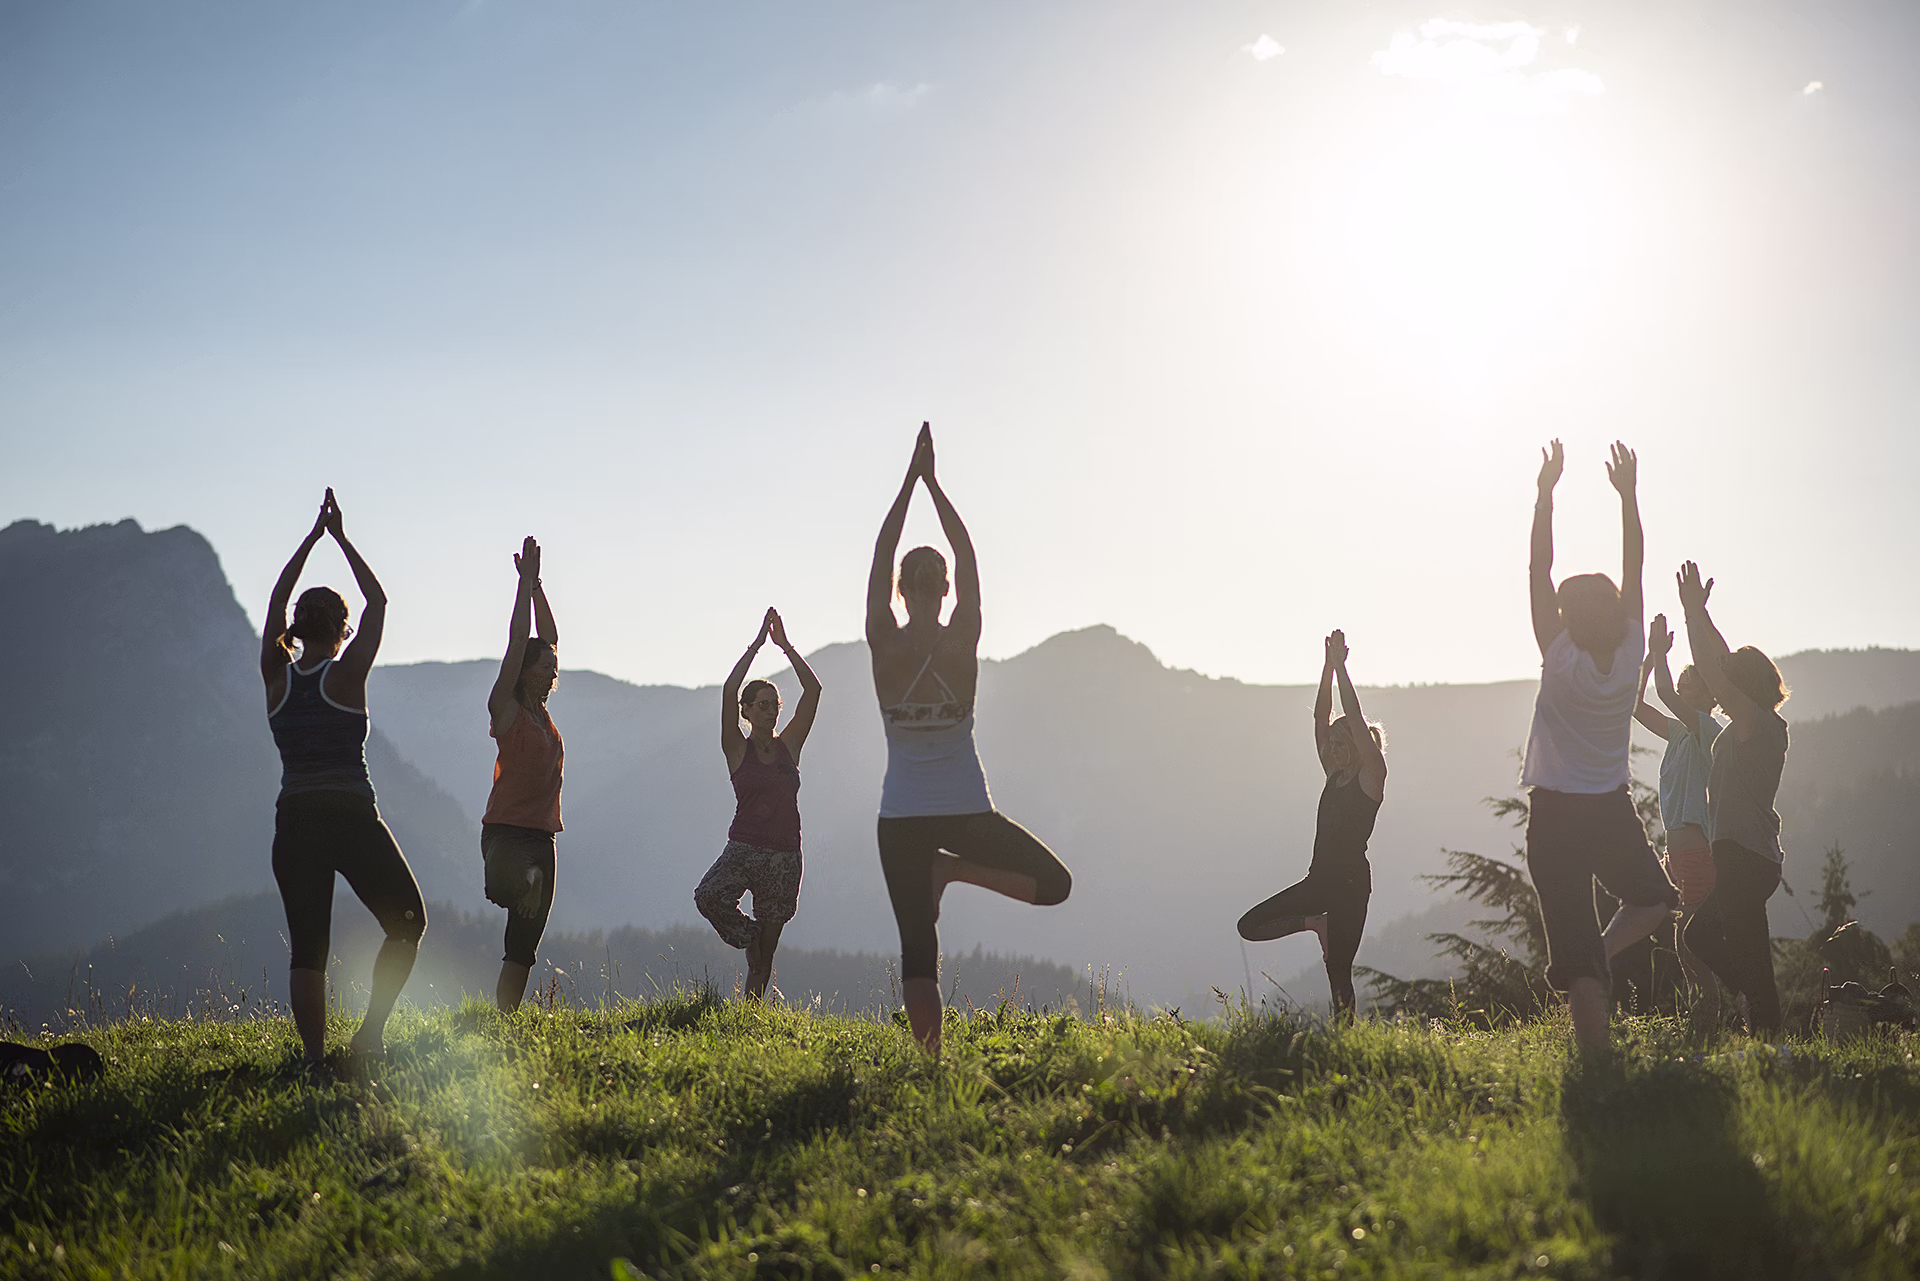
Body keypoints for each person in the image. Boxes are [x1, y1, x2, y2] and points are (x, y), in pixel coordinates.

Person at [868, 423, 1071, 1053]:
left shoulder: (884, 644)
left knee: (916, 951)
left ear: (901, 592)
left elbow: (879, 556)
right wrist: (937, 486)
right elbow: (970, 553)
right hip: (966, 812)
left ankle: (931, 1070)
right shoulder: (963, 642)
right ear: (949, 590)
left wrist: (909, 484)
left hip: (900, 818)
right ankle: (952, 873)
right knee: (1054, 885)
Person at [1521, 441, 1678, 1055]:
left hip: (1557, 814)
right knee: (1655, 900)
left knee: (1579, 959)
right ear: (1615, 611)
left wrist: (1545, 493)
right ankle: (1597, 963)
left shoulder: (1558, 658)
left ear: (1564, 616)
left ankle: (1597, 1071)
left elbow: (1537, 570)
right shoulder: (1634, 646)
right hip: (1611, 811)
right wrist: (1628, 494)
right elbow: (1635, 565)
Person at [261, 490, 425, 1063]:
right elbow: (378, 603)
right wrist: (341, 538)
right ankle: (368, 1037)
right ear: (342, 629)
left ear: (296, 629)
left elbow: (276, 601)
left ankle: (313, 1062)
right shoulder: (347, 675)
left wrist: (309, 540)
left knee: (308, 948)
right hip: (351, 817)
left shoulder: (276, 679)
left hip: (295, 821)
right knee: (408, 921)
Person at [1237, 629, 1386, 1020]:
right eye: (1331, 744)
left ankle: (1345, 1045)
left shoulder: (1371, 776)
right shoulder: (1333, 775)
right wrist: (1325, 666)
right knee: (1249, 926)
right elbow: (1321, 717)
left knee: (1339, 974)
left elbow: (1350, 716)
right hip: (1318, 881)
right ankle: (1314, 924)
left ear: (1357, 744)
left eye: (1341, 743)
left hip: (1351, 888)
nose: (1333, 749)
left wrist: (1343, 671)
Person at [1676, 561, 1791, 1037]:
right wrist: (1699, 615)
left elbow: (1715, 669)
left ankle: (1765, 1024)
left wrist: (1693, 616)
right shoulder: (1749, 723)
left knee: (1718, 942)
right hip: (1740, 856)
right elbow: (1721, 667)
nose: (1723, 688)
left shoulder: (1759, 724)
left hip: (1746, 858)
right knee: (1723, 941)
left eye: (1732, 681)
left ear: (1747, 686)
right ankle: (1764, 1024)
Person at [695, 607, 822, 999]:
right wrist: (756, 646)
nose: (770, 709)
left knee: (765, 957)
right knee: (709, 896)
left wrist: (785, 646)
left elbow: (814, 691)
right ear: (746, 711)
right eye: (761, 704)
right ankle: (748, 936)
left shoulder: (790, 746)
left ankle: (751, 1015)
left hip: (785, 855)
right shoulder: (736, 748)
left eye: (774, 704)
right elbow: (728, 690)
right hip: (744, 849)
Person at [482, 537, 563, 1012]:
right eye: (547, 664)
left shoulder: (543, 717)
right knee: (504, 888)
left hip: (543, 839)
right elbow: (520, 640)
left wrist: (537, 587)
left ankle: (503, 1024)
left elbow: (549, 635)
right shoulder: (506, 711)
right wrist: (520, 589)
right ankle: (526, 874)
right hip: (506, 835)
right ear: (526, 671)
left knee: (523, 946)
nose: (554, 668)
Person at [1632, 612, 1724, 1027]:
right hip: (1677, 853)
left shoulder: (1707, 729)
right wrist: (1649, 664)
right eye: (1684, 686)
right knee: (1685, 939)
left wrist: (1658, 655)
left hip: (1698, 853)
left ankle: (1712, 1008)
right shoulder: (1678, 733)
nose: (1682, 692)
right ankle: (1708, 1008)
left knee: (1692, 938)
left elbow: (1665, 695)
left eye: (1691, 687)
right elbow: (1636, 705)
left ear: (1709, 696)